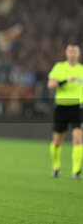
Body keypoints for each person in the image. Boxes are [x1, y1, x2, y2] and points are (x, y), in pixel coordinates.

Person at [47, 44, 83, 179]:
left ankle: (76, 170)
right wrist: (64, 82)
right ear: (66, 53)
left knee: (78, 139)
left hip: (78, 107)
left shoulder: (82, 70)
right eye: (70, 50)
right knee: (57, 141)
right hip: (61, 107)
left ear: (79, 54)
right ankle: (56, 166)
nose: (73, 53)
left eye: (75, 51)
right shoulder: (59, 67)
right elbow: (50, 85)